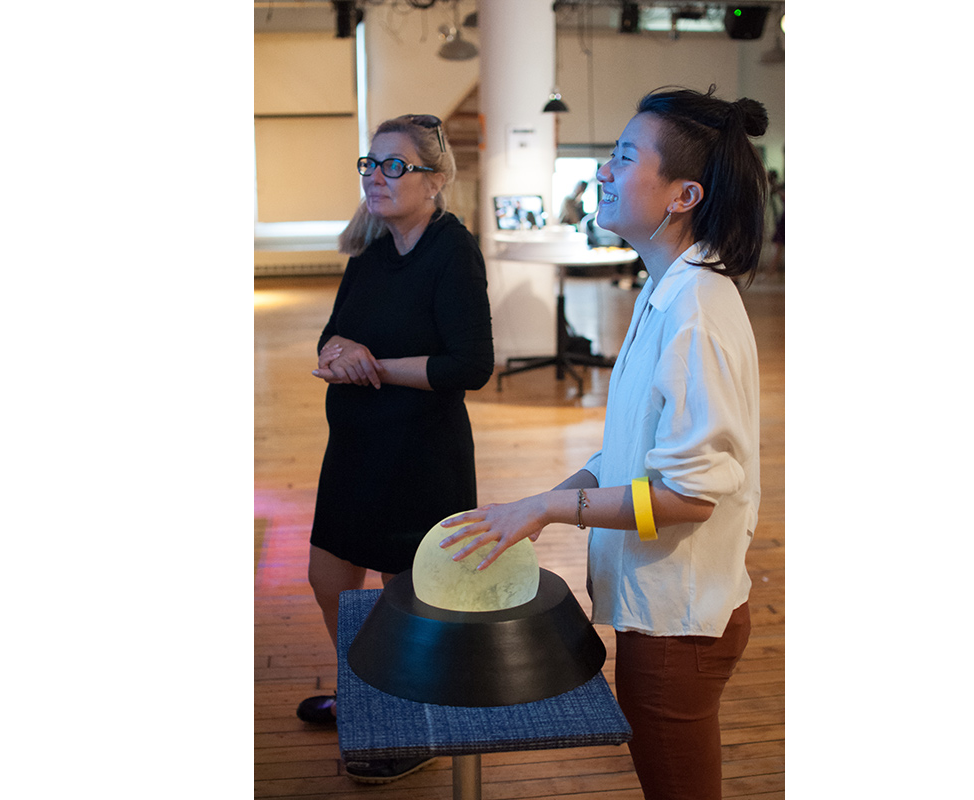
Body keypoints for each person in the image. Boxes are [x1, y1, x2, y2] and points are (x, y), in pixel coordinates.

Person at [439, 86, 767, 800]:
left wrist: (556, 513)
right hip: (661, 613)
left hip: (680, 625)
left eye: (622, 157)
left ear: (683, 196)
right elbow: (626, 457)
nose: (604, 173)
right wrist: (536, 503)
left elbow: (687, 497)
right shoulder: (668, 293)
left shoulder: (696, 313)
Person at [298, 113, 494, 784]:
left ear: (436, 180)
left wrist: (371, 363)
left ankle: (411, 724)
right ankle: (368, 691)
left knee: (402, 600)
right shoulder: (372, 250)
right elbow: (330, 339)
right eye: (370, 163)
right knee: (329, 581)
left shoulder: (452, 251)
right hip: (353, 448)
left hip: (419, 456)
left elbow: (469, 365)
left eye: (395, 165)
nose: (376, 177)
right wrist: (338, 352)